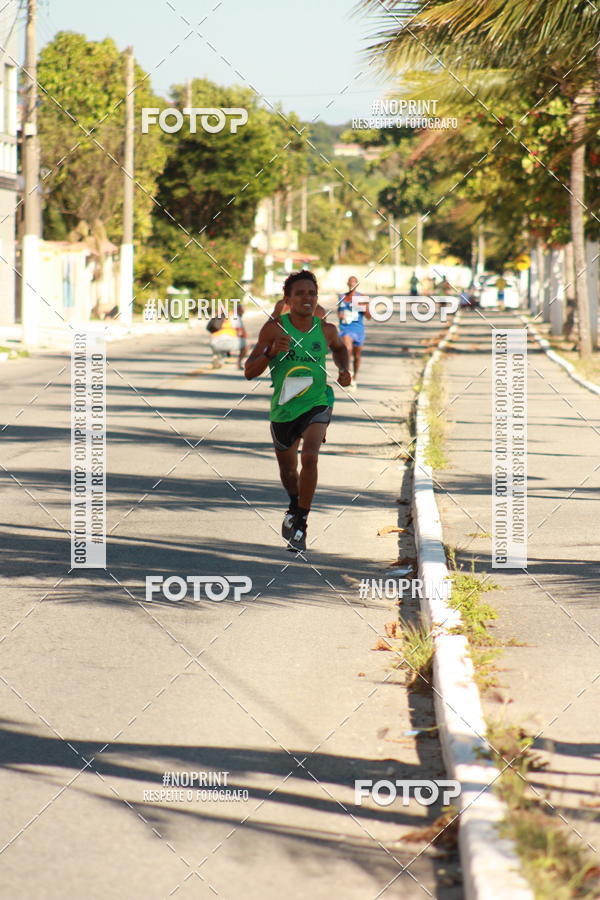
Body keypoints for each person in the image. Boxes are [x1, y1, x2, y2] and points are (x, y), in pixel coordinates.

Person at [244, 270, 351, 552]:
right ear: (288, 299)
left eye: (312, 293)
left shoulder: (326, 330)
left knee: (311, 457)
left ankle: (301, 522)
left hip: (317, 401)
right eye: (300, 293)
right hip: (284, 407)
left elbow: (340, 349)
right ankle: (294, 505)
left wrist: (343, 369)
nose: (307, 298)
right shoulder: (274, 329)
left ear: (317, 299)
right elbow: (249, 371)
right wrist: (270, 353)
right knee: (288, 470)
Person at [337, 275, 371, 391]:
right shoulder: (342, 297)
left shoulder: (362, 297)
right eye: (350, 282)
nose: (352, 284)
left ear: (357, 285)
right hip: (346, 328)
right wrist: (342, 315)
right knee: (347, 349)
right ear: (347, 284)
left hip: (358, 329)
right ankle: (349, 376)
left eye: (354, 283)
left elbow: (369, 317)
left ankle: (355, 377)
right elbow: (339, 313)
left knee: (357, 356)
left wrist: (363, 307)